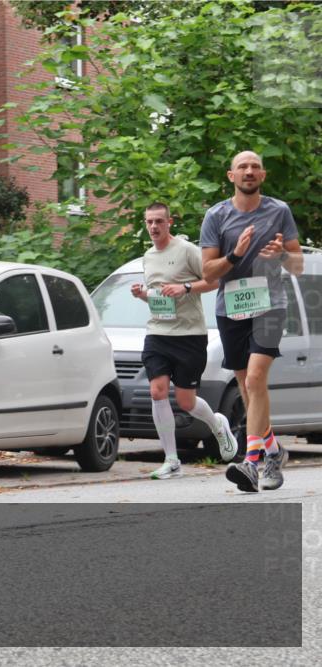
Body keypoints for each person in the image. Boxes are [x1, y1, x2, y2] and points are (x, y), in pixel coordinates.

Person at [200, 150, 304, 492]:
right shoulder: (216, 216)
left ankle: (251, 460)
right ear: (231, 176)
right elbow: (208, 272)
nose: (249, 171)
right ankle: (273, 451)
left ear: (263, 175)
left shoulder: (279, 211)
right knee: (248, 386)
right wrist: (236, 255)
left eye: (255, 166)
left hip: (270, 305)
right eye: (242, 167)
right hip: (231, 308)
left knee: (257, 377)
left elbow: (298, 265)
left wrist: (282, 255)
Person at [129, 202, 235, 479]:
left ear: (169, 222)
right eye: (149, 222)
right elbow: (157, 294)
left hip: (189, 335)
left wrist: (185, 287)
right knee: (157, 391)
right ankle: (172, 460)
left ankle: (217, 425)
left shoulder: (187, 251)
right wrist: (143, 295)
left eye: (159, 222)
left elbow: (214, 281)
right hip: (158, 333)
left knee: (187, 402)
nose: (153, 227)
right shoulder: (148, 256)